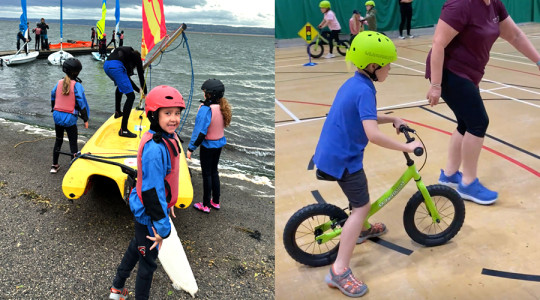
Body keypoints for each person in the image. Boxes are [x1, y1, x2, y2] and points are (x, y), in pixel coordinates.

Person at [313, 31, 422, 297]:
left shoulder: (356, 83)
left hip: (333, 153)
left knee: (360, 198)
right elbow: (372, 134)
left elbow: (367, 117)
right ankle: (339, 271)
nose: (390, 69)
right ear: (373, 65)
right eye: (387, 64)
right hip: (343, 160)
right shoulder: (365, 90)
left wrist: (393, 119)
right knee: (361, 207)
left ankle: (362, 230)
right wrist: (407, 146)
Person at [426, 0, 540, 205]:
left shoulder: (494, 4)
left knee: (466, 123)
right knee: (478, 122)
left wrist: (538, 60)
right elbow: (438, 43)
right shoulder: (460, 5)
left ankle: (450, 175)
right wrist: (435, 84)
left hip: (470, 74)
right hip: (450, 72)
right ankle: (468, 183)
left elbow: (514, 34)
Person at [108, 85, 185, 300]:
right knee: (148, 263)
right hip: (149, 214)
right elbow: (152, 191)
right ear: (153, 115)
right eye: (167, 113)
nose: (174, 118)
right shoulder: (154, 148)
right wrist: (162, 226)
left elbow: (165, 181)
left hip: (151, 211)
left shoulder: (167, 138)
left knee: (138, 245)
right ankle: (121, 290)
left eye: (177, 113)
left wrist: (169, 205)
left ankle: (117, 288)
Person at [187, 79, 232, 213]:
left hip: (207, 147)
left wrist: (191, 148)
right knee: (214, 172)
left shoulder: (206, 109)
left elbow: (200, 132)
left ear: (210, 94)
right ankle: (215, 201)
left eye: (205, 92)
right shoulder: (222, 107)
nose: (204, 94)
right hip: (218, 145)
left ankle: (206, 205)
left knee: (206, 175)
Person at [49, 58, 89, 174]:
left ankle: (54, 165)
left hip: (57, 116)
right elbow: (82, 104)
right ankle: (73, 166)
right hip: (70, 118)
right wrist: (85, 119)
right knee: (73, 142)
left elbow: (53, 96)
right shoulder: (77, 86)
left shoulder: (59, 82)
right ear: (76, 72)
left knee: (59, 139)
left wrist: (53, 109)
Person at [103, 46, 148, 138]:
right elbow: (140, 75)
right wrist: (144, 91)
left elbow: (126, 79)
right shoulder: (136, 58)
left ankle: (118, 112)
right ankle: (124, 130)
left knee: (121, 86)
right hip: (115, 67)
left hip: (106, 65)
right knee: (131, 97)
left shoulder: (126, 55)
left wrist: (138, 90)